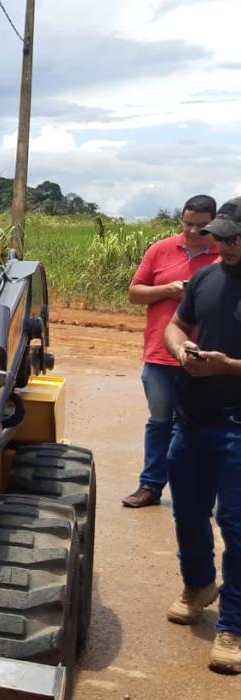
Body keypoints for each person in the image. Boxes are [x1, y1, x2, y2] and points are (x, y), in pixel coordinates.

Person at [163, 196, 241, 675]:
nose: (224, 245)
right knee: (188, 512)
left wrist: (228, 367)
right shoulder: (207, 277)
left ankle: (232, 624)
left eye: (234, 238)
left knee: (236, 526)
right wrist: (182, 348)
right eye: (221, 236)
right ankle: (198, 585)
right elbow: (175, 324)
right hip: (190, 420)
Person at [123, 194, 219, 508]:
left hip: (206, 358)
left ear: (214, 225)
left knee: (199, 425)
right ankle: (150, 486)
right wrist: (169, 290)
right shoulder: (161, 249)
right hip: (160, 354)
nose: (193, 232)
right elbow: (135, 293)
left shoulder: (225, 255)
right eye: (188, 224)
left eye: (202, 227)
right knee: (160, 421)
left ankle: (195, 493)